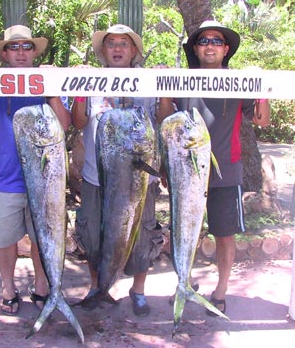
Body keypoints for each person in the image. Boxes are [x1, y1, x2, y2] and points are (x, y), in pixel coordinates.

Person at [158, 20, 270, 315]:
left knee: (224, 234)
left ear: (226, 49)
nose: (210, 45)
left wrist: (263, 87)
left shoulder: (239, 82)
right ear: (195, 48)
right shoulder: (182, 80)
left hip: (226, 172)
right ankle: (185, 283)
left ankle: (220, 292)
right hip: (186, 170)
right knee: (185, 232)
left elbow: (261, 119)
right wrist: (165, 91)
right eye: (204, 40)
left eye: (216, 41)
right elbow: (165, 120)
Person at [0, 25, 71, 316]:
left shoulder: (46, 81)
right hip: (5, 180)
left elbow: (63, 125)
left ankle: (41, 285)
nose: (21, 52)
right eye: (15, 47)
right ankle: (8, 288)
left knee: (42, 238)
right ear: (4, 53)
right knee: (4, 239)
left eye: (27, 47)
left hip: (44, 180)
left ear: (34, 52)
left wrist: (51, 92)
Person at [72, 24, 163, 317]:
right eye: (111, 43)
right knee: (92, 234)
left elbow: (163, 118)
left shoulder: (149, 81)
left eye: (124, 43)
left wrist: (164, 89)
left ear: (134, 50)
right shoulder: (91, 81)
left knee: (141, 235)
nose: (118, 48)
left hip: (139, 179)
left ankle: (138, 292)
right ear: (104, 50)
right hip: (96, 177)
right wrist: (77, 89)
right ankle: (98, 287)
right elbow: (78, 122)